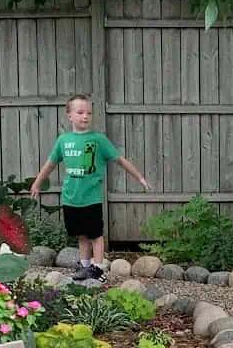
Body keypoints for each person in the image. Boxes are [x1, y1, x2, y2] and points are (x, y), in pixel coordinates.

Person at [30, 94, 151, 281]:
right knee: (81, 235)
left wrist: (140, 177)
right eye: (80, 112)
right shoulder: (63, 140)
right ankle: (84, 267)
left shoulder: (98, 140)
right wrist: (37, 183)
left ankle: (97, 268)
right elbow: (50, 164)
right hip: (71, 198)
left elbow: (120, 160)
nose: (85, 116)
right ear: (69, 115)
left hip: (91, 198)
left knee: (96, 235)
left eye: (89, 113)